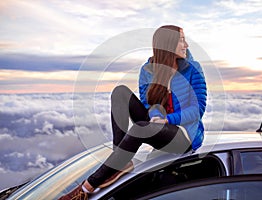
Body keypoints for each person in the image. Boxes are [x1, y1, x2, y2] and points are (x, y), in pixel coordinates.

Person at [59, 25, 207, 200]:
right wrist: (155, 118)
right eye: (182, 40)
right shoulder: (147, 71)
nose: (186, 45)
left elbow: (198, 109)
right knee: (120, 92)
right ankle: (120, 162)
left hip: (184, 135)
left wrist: (167, 120)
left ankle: (87, 187)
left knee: (141, 128)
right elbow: (146, 104)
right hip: (159, 127)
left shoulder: (193, 68)